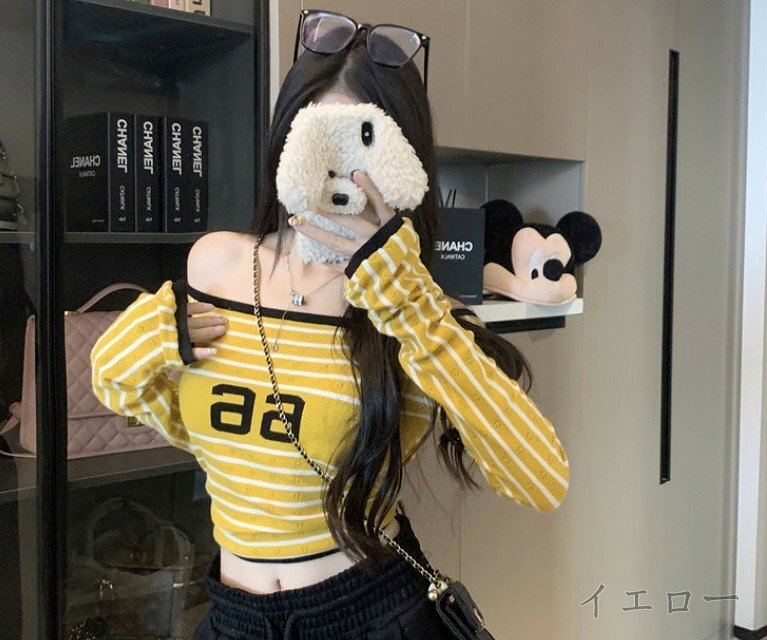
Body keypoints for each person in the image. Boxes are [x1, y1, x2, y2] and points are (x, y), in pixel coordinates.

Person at [90, 9, 570, 639]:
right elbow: (167, 415)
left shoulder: (418, 313)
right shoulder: (218, 263)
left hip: (367, 611)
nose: (339, 173)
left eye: (363, 144)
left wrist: (411, 306)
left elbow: (541, 481)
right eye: (318, 138)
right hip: (232, 617)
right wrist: (139, 342)